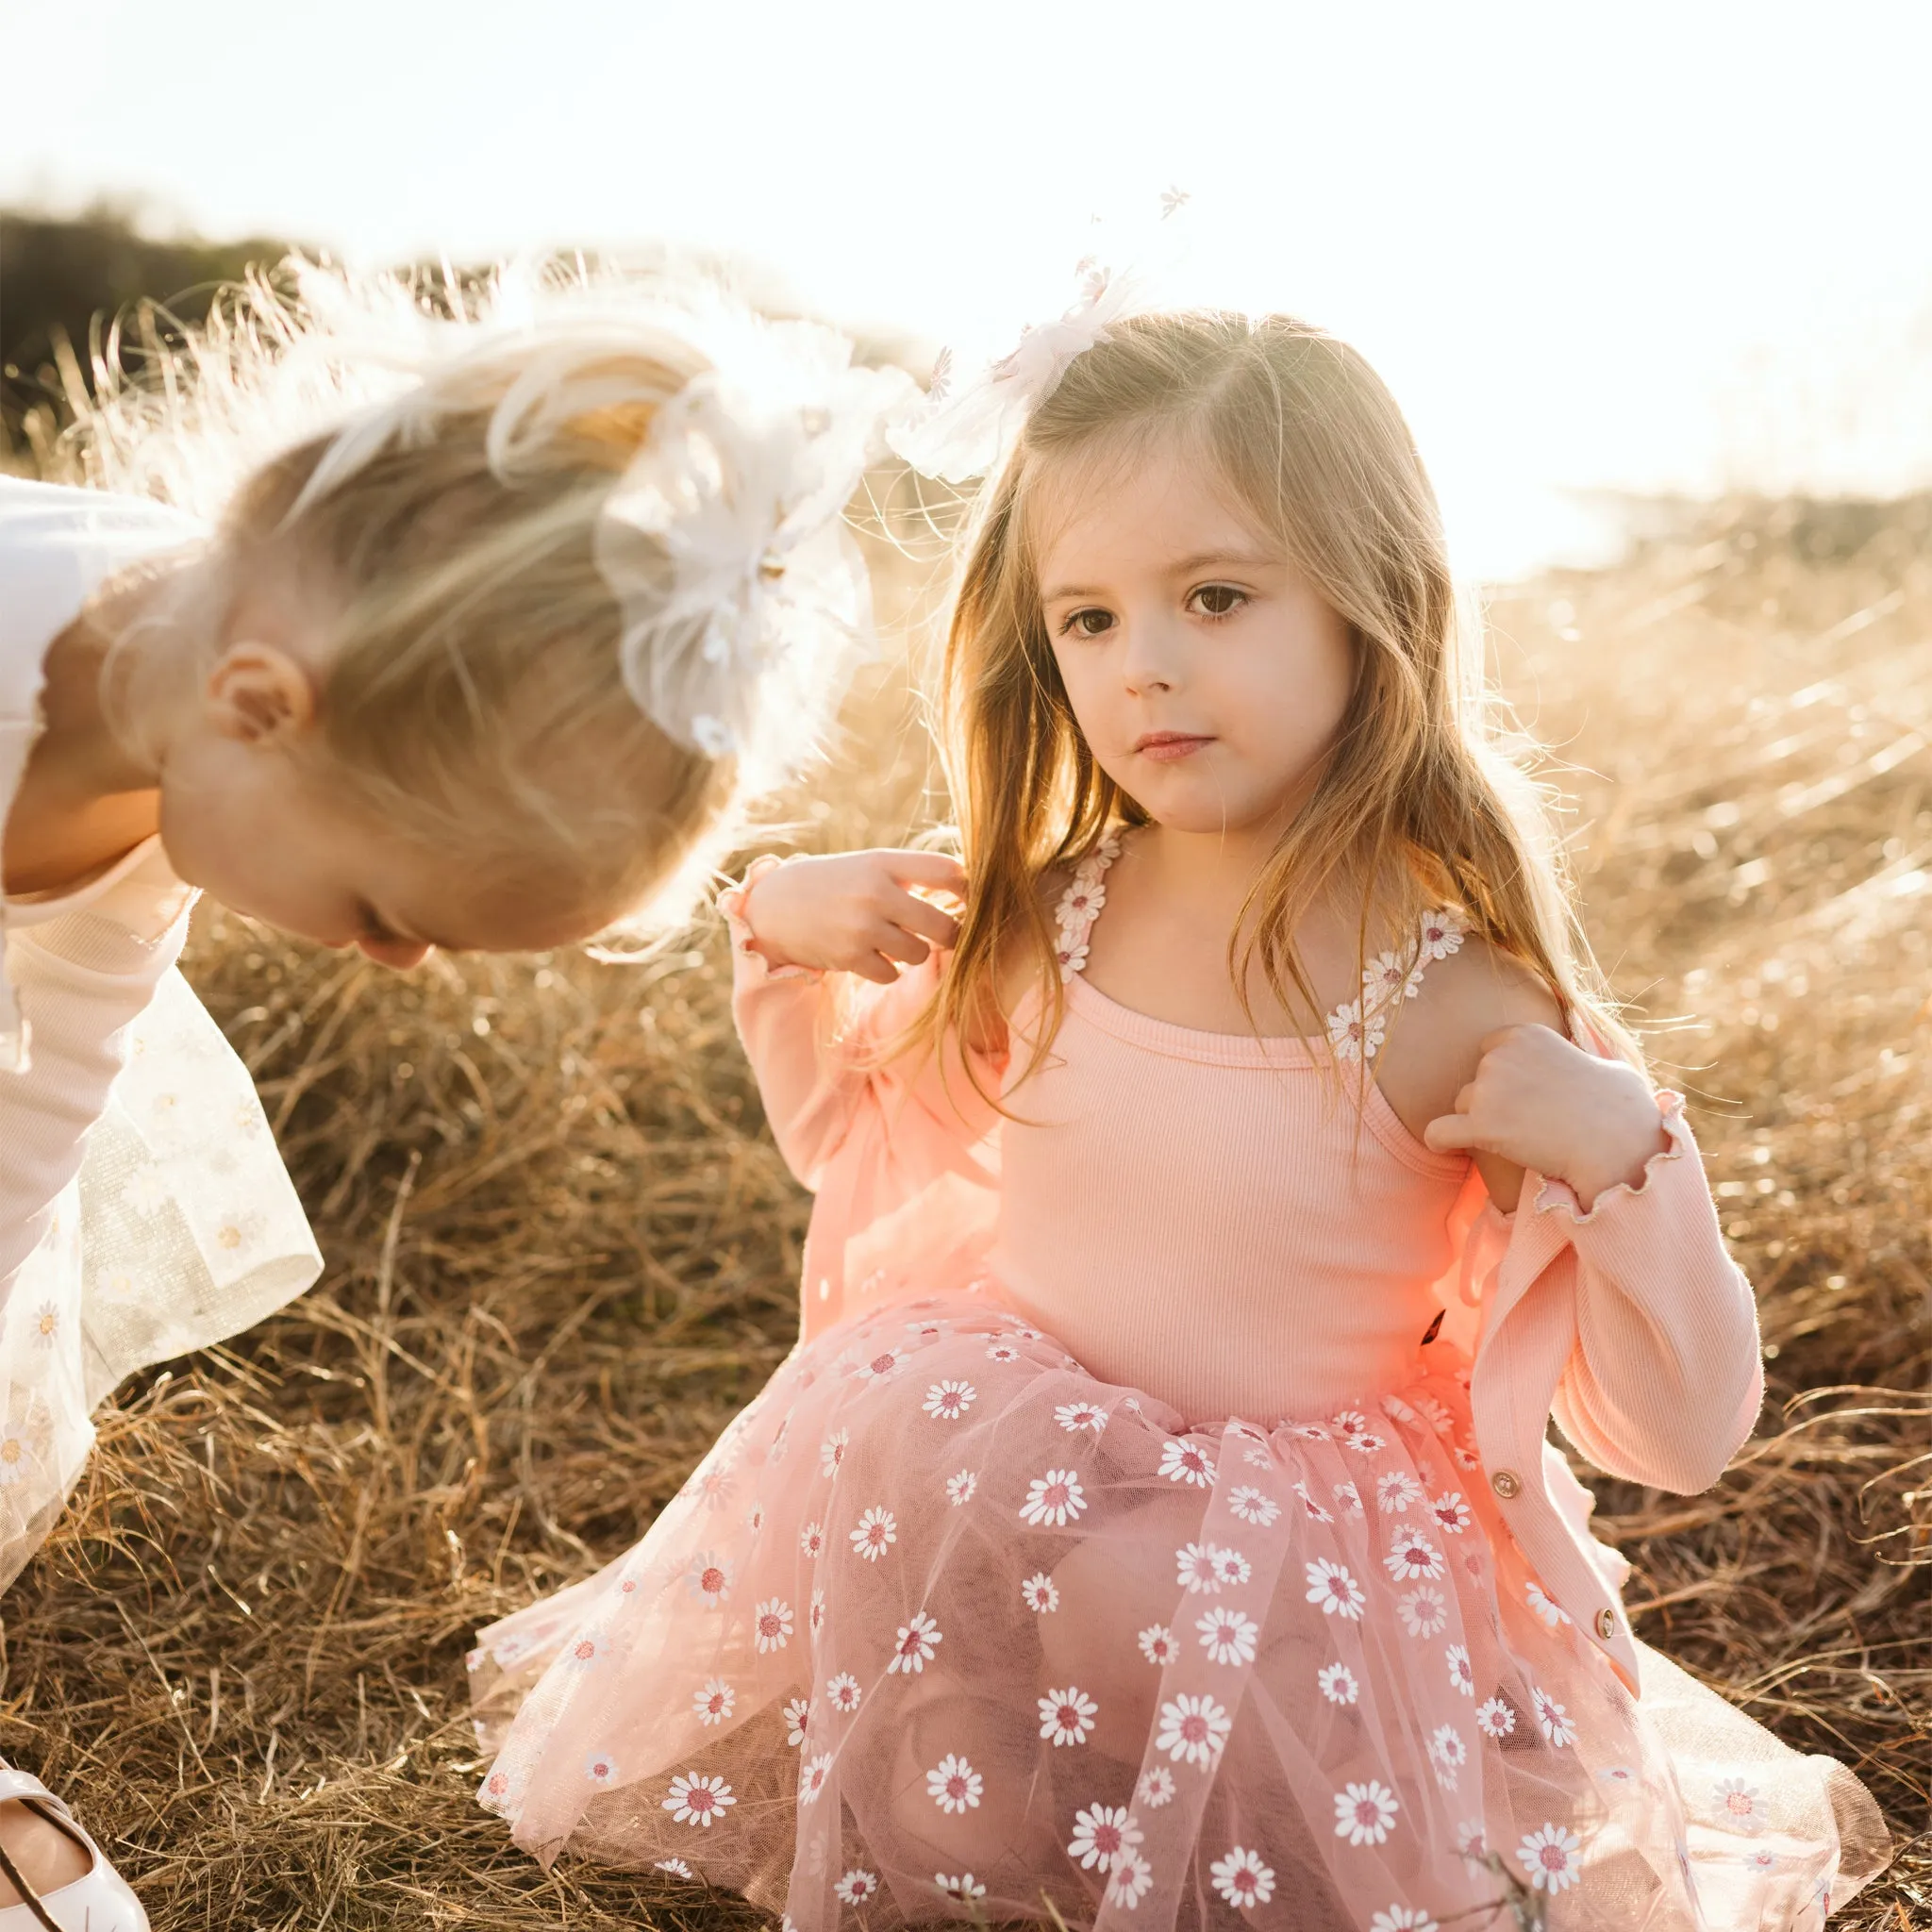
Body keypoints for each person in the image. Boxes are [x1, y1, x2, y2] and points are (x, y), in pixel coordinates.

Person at [467, 304, 1891, 1929]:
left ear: (1373, 604)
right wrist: (780, 947)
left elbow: (1682, 1433)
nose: (1142, 663)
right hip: (1043, 1481)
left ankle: (1220, 1834)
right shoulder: (1046, 911)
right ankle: (1031, 1802)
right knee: (977, 1636)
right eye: (1087, 616)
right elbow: (856, 1158)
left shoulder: (1458, 1002)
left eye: (1216, 596)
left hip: (1302, 1574)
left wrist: (1629, 1152)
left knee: (1162, 1619)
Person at [0, 258, 906, 1930]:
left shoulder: (187, 734)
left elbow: (47, 1080)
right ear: (261, 714)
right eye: (389, 915)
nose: (399, 970)